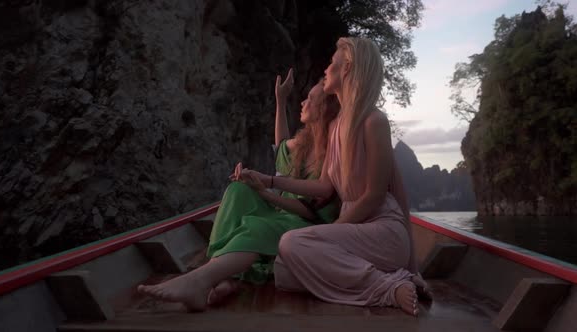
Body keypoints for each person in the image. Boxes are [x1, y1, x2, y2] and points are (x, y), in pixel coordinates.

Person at [239, 37, 428, 316]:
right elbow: (323, 186)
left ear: (348, 67)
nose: (327, 69)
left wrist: (413, 265)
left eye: (332, 63)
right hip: (351, 235)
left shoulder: (374, 121)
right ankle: (391, 278)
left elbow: (381, 195)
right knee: (283, 270)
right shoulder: (336, 126)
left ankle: (388, 286)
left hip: (382, 232)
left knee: (291, 243)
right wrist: (269, 181)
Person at [137, 69, 340, 311]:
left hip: (306, 224)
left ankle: (200, 280)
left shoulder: (333, 149)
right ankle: (223, 277)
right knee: (238, 190)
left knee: (257, 224)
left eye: (311, 99)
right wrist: (280, 100)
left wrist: (266, 190)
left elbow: (313, 213)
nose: (304, 102)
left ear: (323, 109)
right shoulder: (305, 140)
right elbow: (282, 150)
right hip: (281, 212)